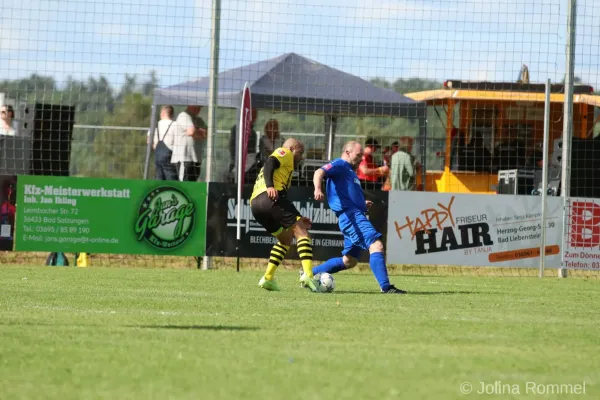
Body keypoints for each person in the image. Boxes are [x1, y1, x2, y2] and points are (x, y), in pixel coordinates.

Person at [304, 140, 407, 293]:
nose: (360, 159)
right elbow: (319, 172)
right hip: (351, 217)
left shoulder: (350, 172)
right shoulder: (339, 164)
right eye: (358, 155)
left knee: (349, 261)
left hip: (354, 213)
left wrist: (362, 203)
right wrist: (317, 189)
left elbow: (347, 194)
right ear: (347, 152)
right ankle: (386, 287)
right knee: (376, 245)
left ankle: (308, 275)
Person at [250, 138, 319, 292]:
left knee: (285, 238)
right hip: (270, 197)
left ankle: (268, 278)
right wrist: (270, 186)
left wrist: (299, 218)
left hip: (256, 205)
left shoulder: (285, 168)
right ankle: (308, 275)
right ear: (293, 147)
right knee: (303, 234)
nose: (301, 157)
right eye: (300, 153)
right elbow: (269, 163)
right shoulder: (285, 152)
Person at [172, 105, 207, 181]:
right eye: (197, 107)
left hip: (196, 159)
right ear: (190, 106)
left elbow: (207, 133)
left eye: (200, 108)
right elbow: (191, 132)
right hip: (185, 159)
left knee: (192, 186)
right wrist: (199, 131)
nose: (198, 110)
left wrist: (196, 131)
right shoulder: (183, 116)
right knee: (184, 185)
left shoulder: (199, 120)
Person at [229, 108, 259, 183]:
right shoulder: (236, 128)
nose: (254, 117)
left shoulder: (253, 133)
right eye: (252, 115)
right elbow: (232, 147)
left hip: (249, 167)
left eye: (255, 115)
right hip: (237, 164)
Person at [150, 105, 178, 181]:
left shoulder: (156, 125)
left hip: (157, 155)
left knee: (159, 178)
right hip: (169, 155)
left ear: (162, 113)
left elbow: (149, 140)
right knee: (171, 178)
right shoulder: (175, 125)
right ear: (172, 114)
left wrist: (154, 146)